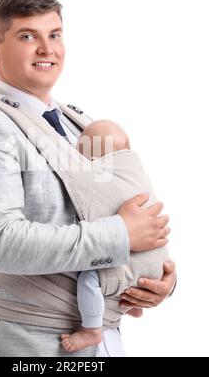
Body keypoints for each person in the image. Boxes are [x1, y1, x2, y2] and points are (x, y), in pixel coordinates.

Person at [0, 0, 176, 357]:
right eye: (28, 36)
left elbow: (119, 206)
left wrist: (159, 279)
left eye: (54, 35)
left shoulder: (79, 121)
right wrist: (121, 234)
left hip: (104, 338)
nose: (47, 49)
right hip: (30, 343)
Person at [61, 119, 169, 352]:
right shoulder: (135, 172)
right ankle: (130, 304)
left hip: (127, 262)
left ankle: (91, 329)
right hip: (158, 263)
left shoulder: (97, 176)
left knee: (90, 278)